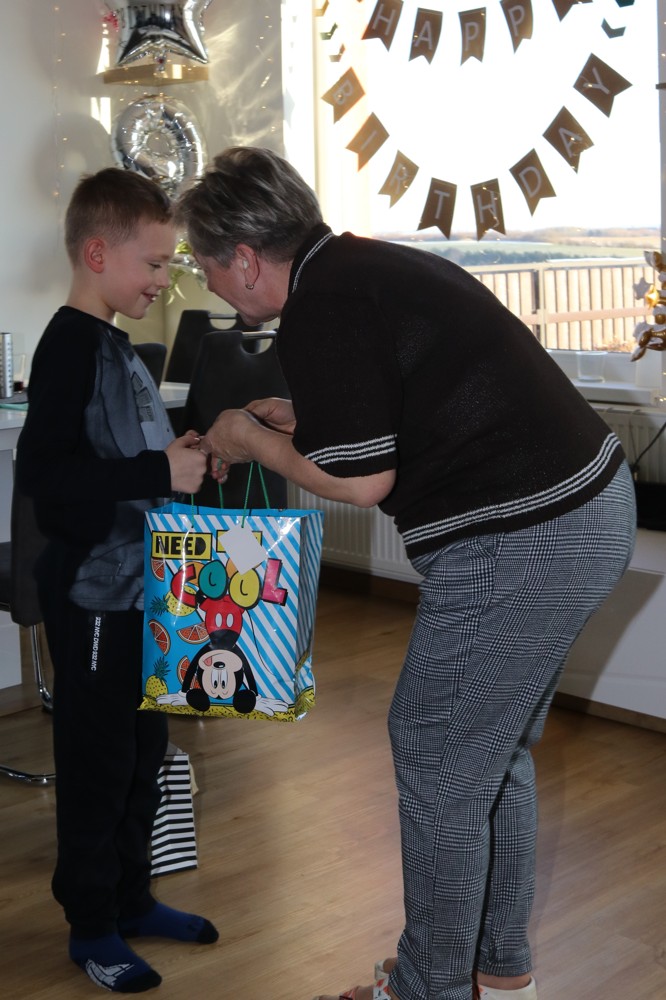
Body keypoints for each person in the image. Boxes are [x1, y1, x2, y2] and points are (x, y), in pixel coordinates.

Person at [175, 147, 636, 1000]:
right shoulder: (358, 268)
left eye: (204, 264)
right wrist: (303, 419)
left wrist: (248, 439)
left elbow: (360, 481)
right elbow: (395, 408)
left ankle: (428, 988)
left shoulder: (320, 305)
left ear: (243, 258)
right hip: (583, 508)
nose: (207, 283)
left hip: (526, 532)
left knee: (434, 752)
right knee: (487, 754)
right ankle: (498, 973)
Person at [16, 168, 217, 994]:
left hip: (143, 592)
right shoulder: (69, 344)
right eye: (155, 263)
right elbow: (45, 476)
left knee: (143, 753)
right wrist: (156, 469)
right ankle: (92, 924)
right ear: (98, 254)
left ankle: (132, 899)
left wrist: (180, 457)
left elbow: (124, 458)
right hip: (95, 596)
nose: (164, 279)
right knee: (97, 762)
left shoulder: (115, 345)